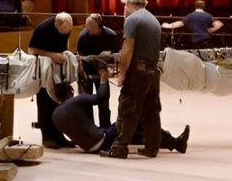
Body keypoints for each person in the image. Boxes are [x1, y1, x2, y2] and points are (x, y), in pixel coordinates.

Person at [53, 62, 189, 154]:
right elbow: (101, 97)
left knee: (132, 133)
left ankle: (175, 144)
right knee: (133, 119)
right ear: (70, 91)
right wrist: (103, 79)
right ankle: (174, 143)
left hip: (89, 148)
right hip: (102, 138)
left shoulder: (55, 115)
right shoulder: (75, 102)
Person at [101, 0, 162, 159]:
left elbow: (127, 50)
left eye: (124, 5)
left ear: (128, 3)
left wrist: (121, 74)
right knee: (152, 109)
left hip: (138, 71)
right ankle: (152, 147)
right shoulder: (153, 19)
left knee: (127, 107)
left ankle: (120, 147)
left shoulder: (133, 20)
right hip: (152, 71)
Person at [28, 12, 75, 149]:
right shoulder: (42, 29)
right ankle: (47, 137)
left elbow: (65, 44)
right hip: (44, 69)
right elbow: (31, 50)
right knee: (45, 102)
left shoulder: (66, 26)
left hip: (59, 70)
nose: (65, 34)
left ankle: (59, 136)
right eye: (63, 31)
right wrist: (52, 55)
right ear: (56, 24)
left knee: (60, 101)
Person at [76, 13, 119, 128]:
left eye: (90, 26)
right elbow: (79, 54)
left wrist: (109, 63)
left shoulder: (110, 35)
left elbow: (116, 56)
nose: (87, 28)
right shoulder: (83, 35)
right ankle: (88, 127)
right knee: (85, 100)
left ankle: (105, 128)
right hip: (87, 70)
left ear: (99, 26)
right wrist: (81, 70)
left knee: (104, 99)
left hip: (102, 71)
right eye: (86, 25)